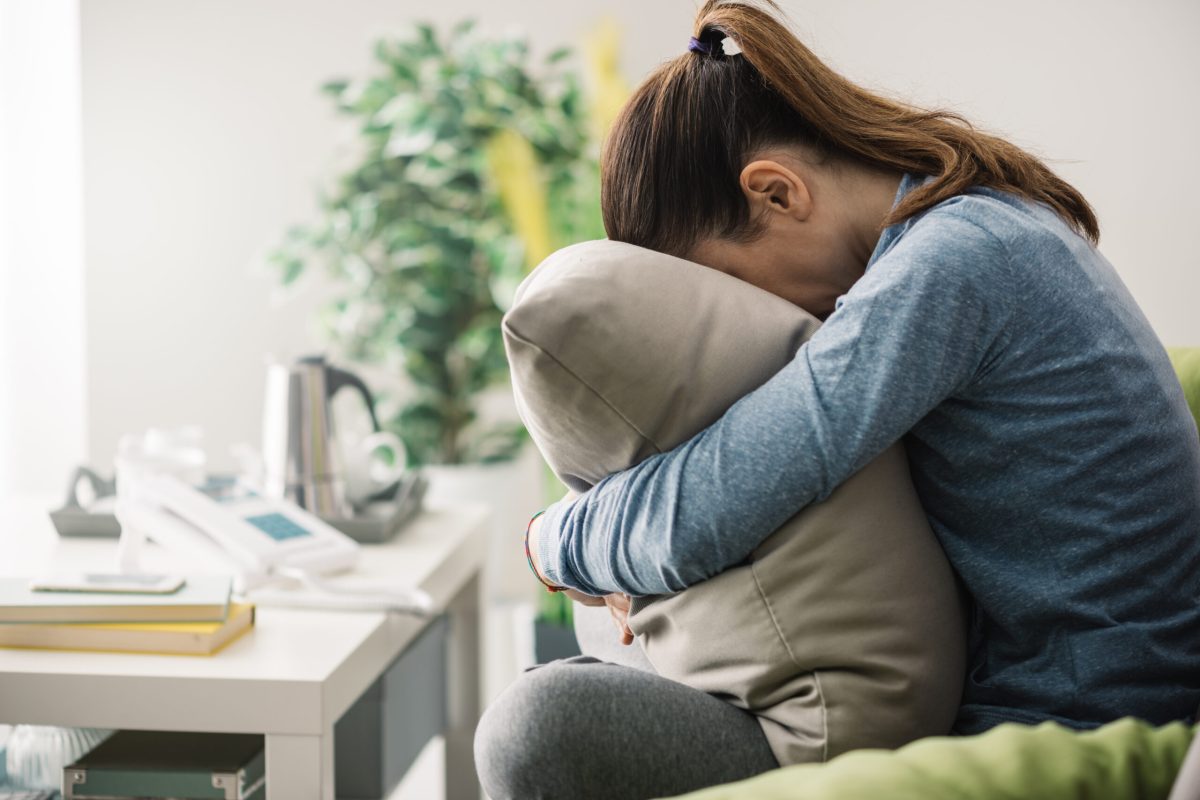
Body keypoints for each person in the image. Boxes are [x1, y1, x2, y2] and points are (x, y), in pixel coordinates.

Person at [474, 2, 1200, 798]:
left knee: (539, 726)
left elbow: (713, 501)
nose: (768, 322)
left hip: (1074, 731)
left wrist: (550, 543)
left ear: (777, 195)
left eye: (731, 286)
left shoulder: (953, 265)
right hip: (1058, 696)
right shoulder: (993, 225)